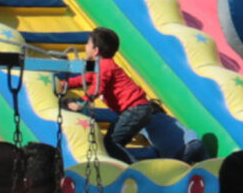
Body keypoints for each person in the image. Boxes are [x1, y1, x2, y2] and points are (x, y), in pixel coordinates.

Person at [62, 29, 189, 163]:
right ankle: (128, 167)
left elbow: (97, 88)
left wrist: (81, 103)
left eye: (88, 44)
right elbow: (86, 78)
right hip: (137, 109)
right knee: (114, 144)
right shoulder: (99, 64)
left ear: (95, 50)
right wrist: (65, 83)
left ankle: (134, 171)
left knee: (111, 144)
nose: (85, 47)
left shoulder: (105, 65)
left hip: (135, 109)